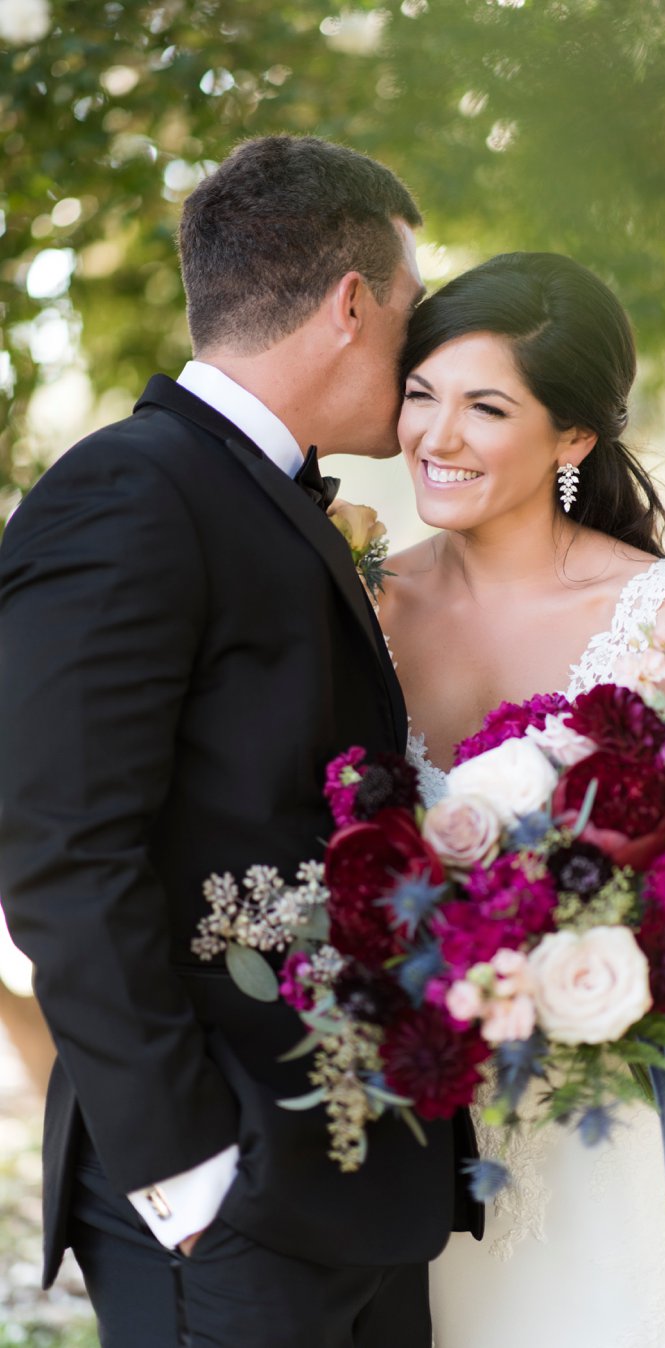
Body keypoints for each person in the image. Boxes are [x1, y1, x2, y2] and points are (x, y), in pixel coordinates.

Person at [0, 134, 479, 1348]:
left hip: (349, 1173)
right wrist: (189, 1170)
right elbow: (59, 844)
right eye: (413, 310)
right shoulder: (131, 490)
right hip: (224, 1190)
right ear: (352, 303)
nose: (421, 353)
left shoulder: (258, 487)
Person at [377, 251, 665, 1347]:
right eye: (420, 392)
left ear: (574, 436)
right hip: (417, 1101)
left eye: (485, 405)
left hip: (614, 1095)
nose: (435, 436)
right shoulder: (362, 602)